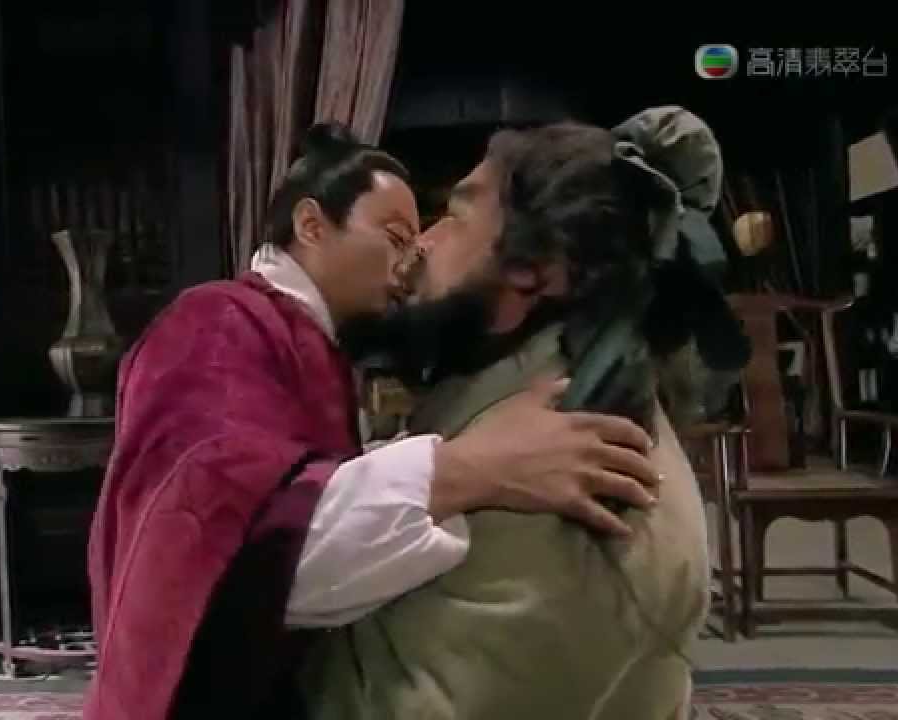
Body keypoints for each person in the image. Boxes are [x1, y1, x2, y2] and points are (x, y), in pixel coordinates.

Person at [84, 123, 664, 720]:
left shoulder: (309, 342)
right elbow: (217, 545)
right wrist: (468, 469)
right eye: (395, 237)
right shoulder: (216, 325)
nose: (412, 259)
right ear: (312, 225)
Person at [297, 108, 734, 720]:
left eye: (455, 218)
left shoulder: (566, 485)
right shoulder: (531, 403)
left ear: (536, 269)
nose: (422, 244)